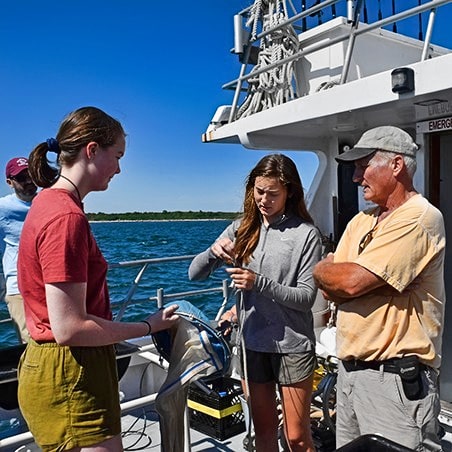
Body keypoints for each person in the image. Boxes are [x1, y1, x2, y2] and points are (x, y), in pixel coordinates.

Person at [17, 106, 180, 452]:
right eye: (117, 155)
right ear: (92, 150)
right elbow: (70, 328)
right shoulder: (65, 217)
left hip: (56, 365)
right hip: (71, 372)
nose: (120, 168)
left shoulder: (46, 202)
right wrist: (148, 326)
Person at [313, 126, 445, 451]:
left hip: (394, 383)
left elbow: (347, 281)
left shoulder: (419, 218)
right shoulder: (361, 221)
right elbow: (332, 288)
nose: (357, 178)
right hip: (349, 374)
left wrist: (331, 273)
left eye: (363, 165)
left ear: (396, 165)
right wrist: (329, 273)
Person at [189, 153, 322, 452]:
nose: (264, 199)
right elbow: (194, 274)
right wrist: (212, 252)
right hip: (252, 346)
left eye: (273, 194)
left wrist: (258, 283)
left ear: (290, 193)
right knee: (262, 432)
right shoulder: (240, 229)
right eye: (259, 191)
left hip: (292, 348)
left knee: (296, 437)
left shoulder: (306, 235)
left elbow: (305, 298)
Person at [0, 157, 38, 343]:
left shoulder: (49, 201)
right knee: (31, 344)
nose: (29, 181)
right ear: (9, 182)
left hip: (51, 285)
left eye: (31, 175)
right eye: (22, 178)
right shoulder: (2, 208)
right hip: (18, 287)